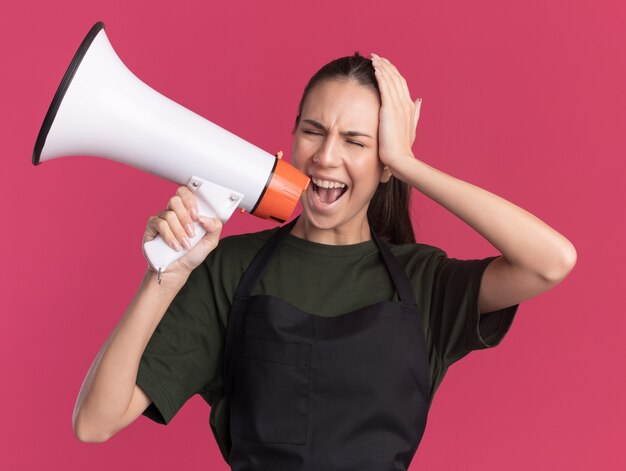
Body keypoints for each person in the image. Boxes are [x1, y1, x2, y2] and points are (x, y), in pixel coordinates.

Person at [72, 52, 577, 469]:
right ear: (293, 138)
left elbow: (550, 261)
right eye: (314, 132)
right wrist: (164, 275)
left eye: (356, 142)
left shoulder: (425, 282)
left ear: (383, 166)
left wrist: (407, 163)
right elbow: (95, 422)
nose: (326, 156)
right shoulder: (226, 269)